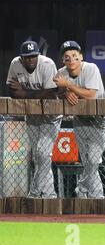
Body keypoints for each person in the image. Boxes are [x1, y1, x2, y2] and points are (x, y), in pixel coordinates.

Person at [53, 41, 105, 199]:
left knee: (92, 158)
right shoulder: (61, 72)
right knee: (88, 160)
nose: (71, 60)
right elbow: (56, 93)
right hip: (80, 119)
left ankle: (82, 187)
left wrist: (69, 86)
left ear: (81, 57)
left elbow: (91, 95)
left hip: (99, 118)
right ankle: (95, 196)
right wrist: (64, 94)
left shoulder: (91, 68)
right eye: (67, 57)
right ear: (63, 60)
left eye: (74, 56)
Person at [6, 40, 61, 199]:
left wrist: (25, 93)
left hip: (51, 115)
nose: (30, 60)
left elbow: (50, 94)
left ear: (38, 55)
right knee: (38, 156)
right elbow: (12, 91)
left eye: (33, 56)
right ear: (21, 57)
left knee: (43, 153)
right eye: (27, 57)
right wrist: (35, 94)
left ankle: (37, 192)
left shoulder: (47, 64)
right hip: (31, 115)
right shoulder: (15, 64)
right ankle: (47, 193)